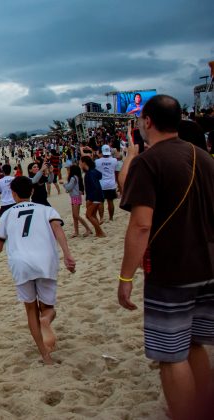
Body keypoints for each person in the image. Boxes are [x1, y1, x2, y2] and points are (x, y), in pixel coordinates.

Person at [118, 94, 214, 419]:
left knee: (171, 356)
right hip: (208, 265)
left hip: (171, 271)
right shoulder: (204, 156)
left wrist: (125, 277)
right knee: (195, 343)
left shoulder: (149, 161)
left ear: (147, 122)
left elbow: (141, 225)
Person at [0, 176, 76, 364]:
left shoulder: (6, 214)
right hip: (45, 261)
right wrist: (67, 254)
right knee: (48, 308)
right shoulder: (46, 210)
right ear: (31, 192)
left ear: (13, 194)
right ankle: (46, 319)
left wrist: (4, 242)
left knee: (30, 310)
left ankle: (45, 355)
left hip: (21, 264)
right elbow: (58, 230)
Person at [62, 164, 92, 238]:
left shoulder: (73, 178)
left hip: (75, 197)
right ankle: (76, 232)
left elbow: (69, 187)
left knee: (76, 215)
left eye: (69, 169)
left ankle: (88, 229)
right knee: (74, 216)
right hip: (75, 197)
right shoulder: (76, 177)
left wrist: (64, 184)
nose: (68, 170)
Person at [80, 156, 106, 237]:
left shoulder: (89, 174)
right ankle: (98, 232)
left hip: (94, 197)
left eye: (80, 162)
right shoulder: (93, 171)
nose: (80, 164)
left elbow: (95, 187)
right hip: (98, 196)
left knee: (89, 215)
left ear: (84, 163)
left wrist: (89, 199)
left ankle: (100, 232)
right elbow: (100, 175)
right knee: (93, 215)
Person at [95, 145, 118, 222]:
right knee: (110, 201)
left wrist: (98, 155)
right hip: (111, 183)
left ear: (102, 152)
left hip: (101, 183)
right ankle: (111, 218)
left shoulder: (97, 161)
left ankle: (101, 218)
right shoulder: (114, 160)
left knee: (101, 202)